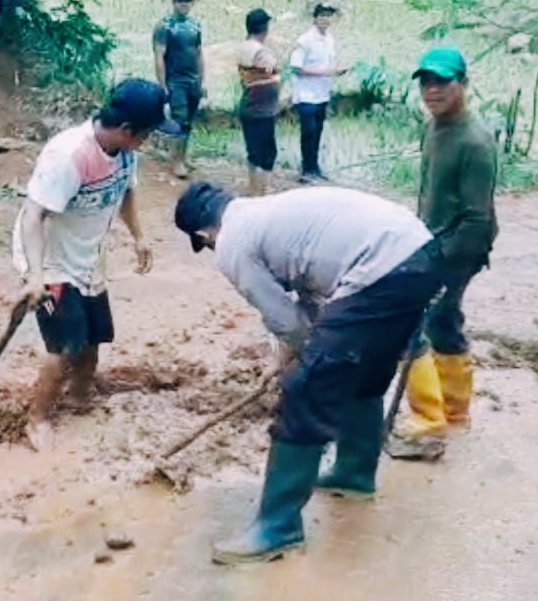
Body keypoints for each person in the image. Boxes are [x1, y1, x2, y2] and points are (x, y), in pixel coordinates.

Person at [174, 182, 444, 565]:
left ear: (204, 235)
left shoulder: (233, 242)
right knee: (363, 371)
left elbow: (285, 320)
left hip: (381, 268)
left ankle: (278, 527)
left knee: (305, 388)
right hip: (419, 253)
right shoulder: (266, 213)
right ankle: (353, 474)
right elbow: (311, 297)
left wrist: (303, 361)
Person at [13, 79, 178, 452]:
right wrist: (36, 276)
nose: (149, 141)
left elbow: (126, 191)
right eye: (148, 133)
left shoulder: (125, 152)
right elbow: (33, 217)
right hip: (50, 258)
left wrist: (138, 236)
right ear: (126, 130)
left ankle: (81, 397)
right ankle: (36, 419)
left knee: (96, 333)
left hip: (88, 255)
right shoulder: (68, 156)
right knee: (63, 343)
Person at [393, 47, 498, 447]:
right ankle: (454, 409)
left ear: (464, 85)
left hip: (458, 248)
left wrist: (440, 260)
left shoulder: (475, 142)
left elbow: (477, 217)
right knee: (444, 321)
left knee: (422, 323)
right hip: (431, 240)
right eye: (426, 82)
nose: (432, 91)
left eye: (442, 82)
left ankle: (429, 418)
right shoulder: (434, 127)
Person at [289, 0, 348, 184]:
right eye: (322, 16)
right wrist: (326, 71)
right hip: (306, 95)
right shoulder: (305, 40)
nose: (325, 19)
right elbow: (296, 68)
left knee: (317, 133)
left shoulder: (329, 39)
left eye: (328, 16)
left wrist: (336, 70)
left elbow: (328, 63)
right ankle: (307, 171)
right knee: (309, 133)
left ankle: (314, 169)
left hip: (322, 94)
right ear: (314, 18)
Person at [153, 0, 205, 180]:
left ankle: (182, 156)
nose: (184, 4)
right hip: (175, 80)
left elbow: (199, 53)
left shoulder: (195, 25)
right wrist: (162, 84)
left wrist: (202, 79)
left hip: (193, 80)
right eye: (180, 1)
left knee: (189, 121)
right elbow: (159, 55)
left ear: (192, 3)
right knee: (179, 119)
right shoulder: (165, 26)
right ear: (174, 3)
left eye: (188, 1)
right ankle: (176, 162)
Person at [237, 9, 281, 196]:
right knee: (267, 154)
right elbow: (273, 70)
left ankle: (254, 188)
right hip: (261, 109)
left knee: (254, 151)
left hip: (250, 105)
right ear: (265, 28)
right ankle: (262, 191)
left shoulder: (244, 47)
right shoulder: (260, 52)